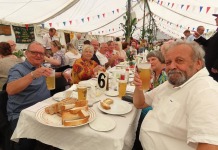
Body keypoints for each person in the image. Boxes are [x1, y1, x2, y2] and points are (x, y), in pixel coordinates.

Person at [133, 41, 218, 150]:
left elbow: (210, 146)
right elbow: (140, 103)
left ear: (198, 63)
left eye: (179, 60)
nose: (172, 66)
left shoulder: (205, 91)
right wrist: (138, 88)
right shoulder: (171, 83)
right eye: (168, 62)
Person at [6, 41, 71, 149]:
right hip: (23, 115)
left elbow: (50, 74)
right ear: (26, 53)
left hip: (42, 110)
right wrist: (32, 75)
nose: (38, 55)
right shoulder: (18, 69)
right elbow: (10, 90)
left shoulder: (41, 66)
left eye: (41, 53)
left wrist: (62, 74)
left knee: (65, 127)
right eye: (34, 52)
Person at [194, 14, 218, 82]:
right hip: (210, 66)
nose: (215, 19)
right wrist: (198, 37)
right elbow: (208, 43)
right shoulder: (216, 32)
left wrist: (216, 66)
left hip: (214, 68)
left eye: (217, 18)